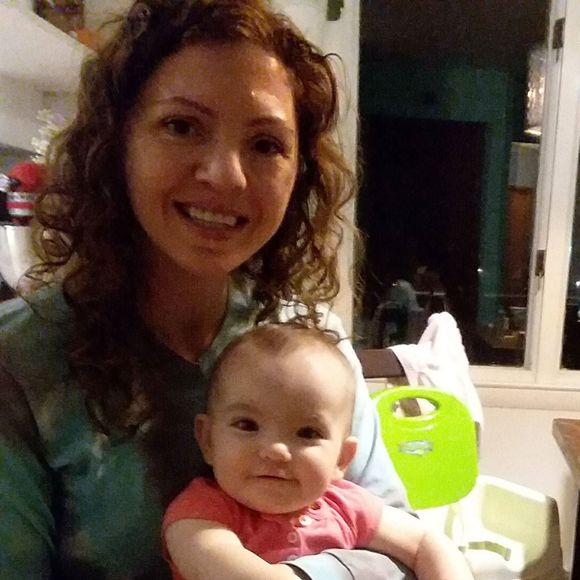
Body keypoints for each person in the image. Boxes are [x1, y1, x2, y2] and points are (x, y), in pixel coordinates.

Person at [0, 1, 411, 578]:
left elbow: (399, 546)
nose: (226, 174)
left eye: (266, 144)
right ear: (117, 144)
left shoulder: (314, 345)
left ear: (299, 174)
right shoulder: (20, 364)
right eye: (182, 126)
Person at [163, 323, 474, 580]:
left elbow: (426, 543)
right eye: (247, 425)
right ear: (207, 440)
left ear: (342, 459)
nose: (276, 450)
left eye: (307, 433)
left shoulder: (345, 505)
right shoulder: (200, 513)